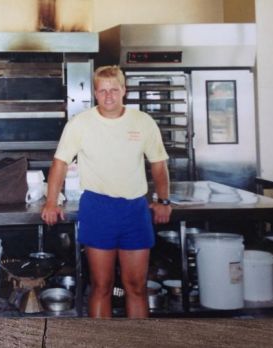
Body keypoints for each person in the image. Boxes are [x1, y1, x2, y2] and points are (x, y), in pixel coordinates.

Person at [41, 65, 171, 318]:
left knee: (136, 286)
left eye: (114, 90)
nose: (108, 96)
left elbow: (158, 164)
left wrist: (163, 200)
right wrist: (51, 202)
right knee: (102, 286)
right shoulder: (80, 124)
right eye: (102, 91)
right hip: (98, 208)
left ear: (124, 90)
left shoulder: (143, 122)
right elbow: (60, 163)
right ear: (95, 93)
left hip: (135, 209)